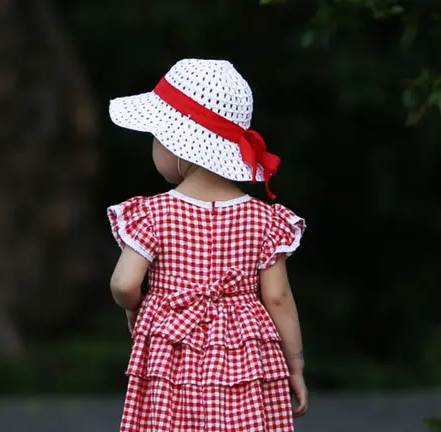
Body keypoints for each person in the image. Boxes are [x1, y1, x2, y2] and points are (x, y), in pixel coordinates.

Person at [106, 59, 308, 432]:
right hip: (246, 359)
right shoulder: (265, 220)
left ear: (179, 144)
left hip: (172, 354)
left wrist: (134, 311)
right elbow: (277, 297)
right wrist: (294, 362)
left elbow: (124, 284)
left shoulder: (152, 214)